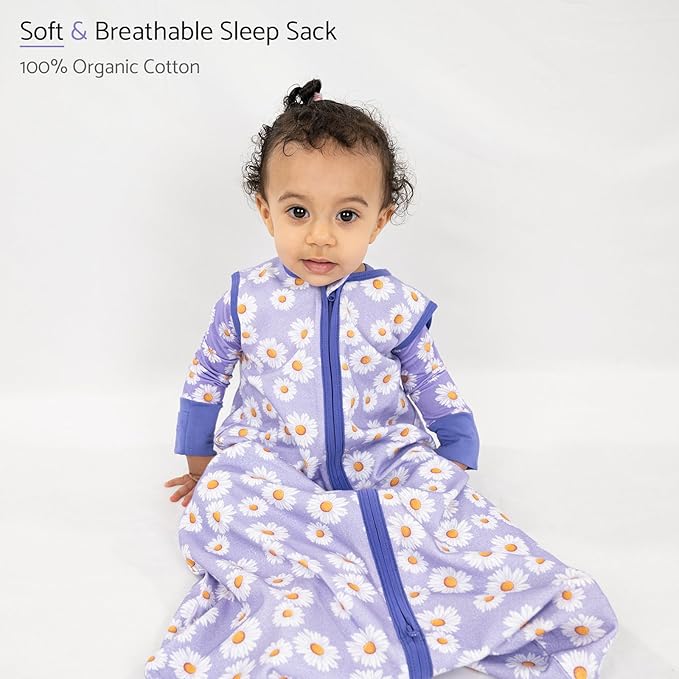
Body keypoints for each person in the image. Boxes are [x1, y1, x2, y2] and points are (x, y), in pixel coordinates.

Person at [144, 78, 618, 679]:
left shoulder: (394, 304)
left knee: (437, 500)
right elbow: (207, 372)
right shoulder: (248, 297)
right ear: (266, 212)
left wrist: (455, 451)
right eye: (298, 212)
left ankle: (387, 568)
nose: (320, 235)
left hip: (382, 459)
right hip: (275, 463)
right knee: (222, 497)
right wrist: (200, 462)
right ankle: (315, 578)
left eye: (346, 215)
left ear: (379, 220)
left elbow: (430, 380)